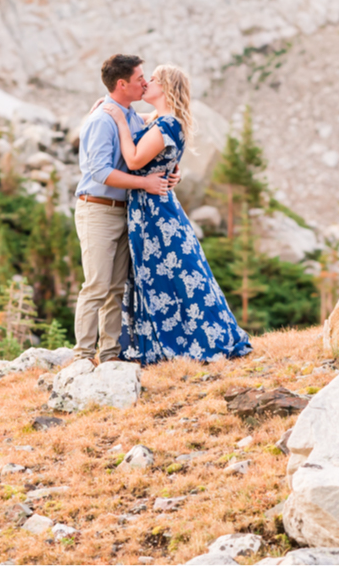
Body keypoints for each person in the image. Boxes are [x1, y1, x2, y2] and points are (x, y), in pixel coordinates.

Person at [100, 64, 252, 364]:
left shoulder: (166, 124)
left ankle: (186, 341)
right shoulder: (161, 120)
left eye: (153, 79)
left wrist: (118, 119)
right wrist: (114, 107)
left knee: (171, 275)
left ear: (166, 88)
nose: (146, 83)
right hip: (150, 208)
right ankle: (169, 338)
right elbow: (142, 121)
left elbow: (133, 160)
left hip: (155, 212)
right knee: (163, 274)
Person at [71, 54, 173, 364]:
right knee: (96, 286)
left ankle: (109, 354)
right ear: (122, 84)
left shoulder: (128, 115)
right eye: (140, 78)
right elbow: (100, 172)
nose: (145, 82)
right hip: (97, 210)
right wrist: (144, 184)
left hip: (124, 210)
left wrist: (172, 169)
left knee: (116, 288)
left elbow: (155, 130)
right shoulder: (101, 120)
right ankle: (82, 355)